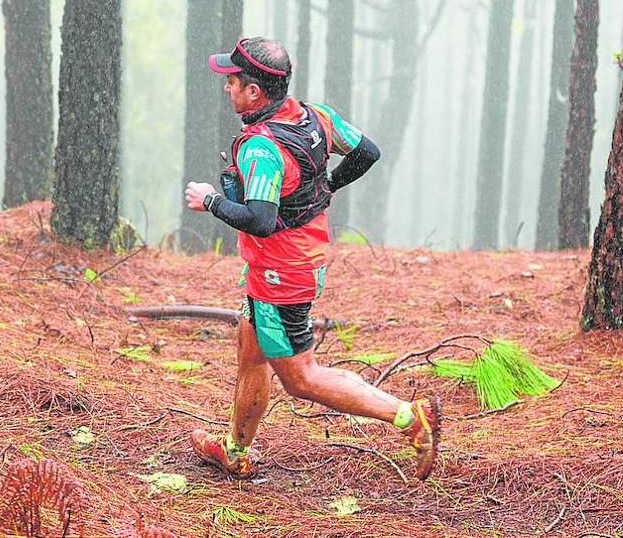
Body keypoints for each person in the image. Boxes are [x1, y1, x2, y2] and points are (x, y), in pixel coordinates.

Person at [183, 36, 442, 481]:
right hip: (296, 259)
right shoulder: (313, 115)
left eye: (232, 81)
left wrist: (209, 201)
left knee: (301, 379)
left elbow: (260, 219)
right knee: (251, 352)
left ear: (254, 92)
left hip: (281, 272)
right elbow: (366, 152)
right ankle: (236, 450)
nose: (226, 87)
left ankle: (408, 416)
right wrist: (328, 187)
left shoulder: (262, 147)